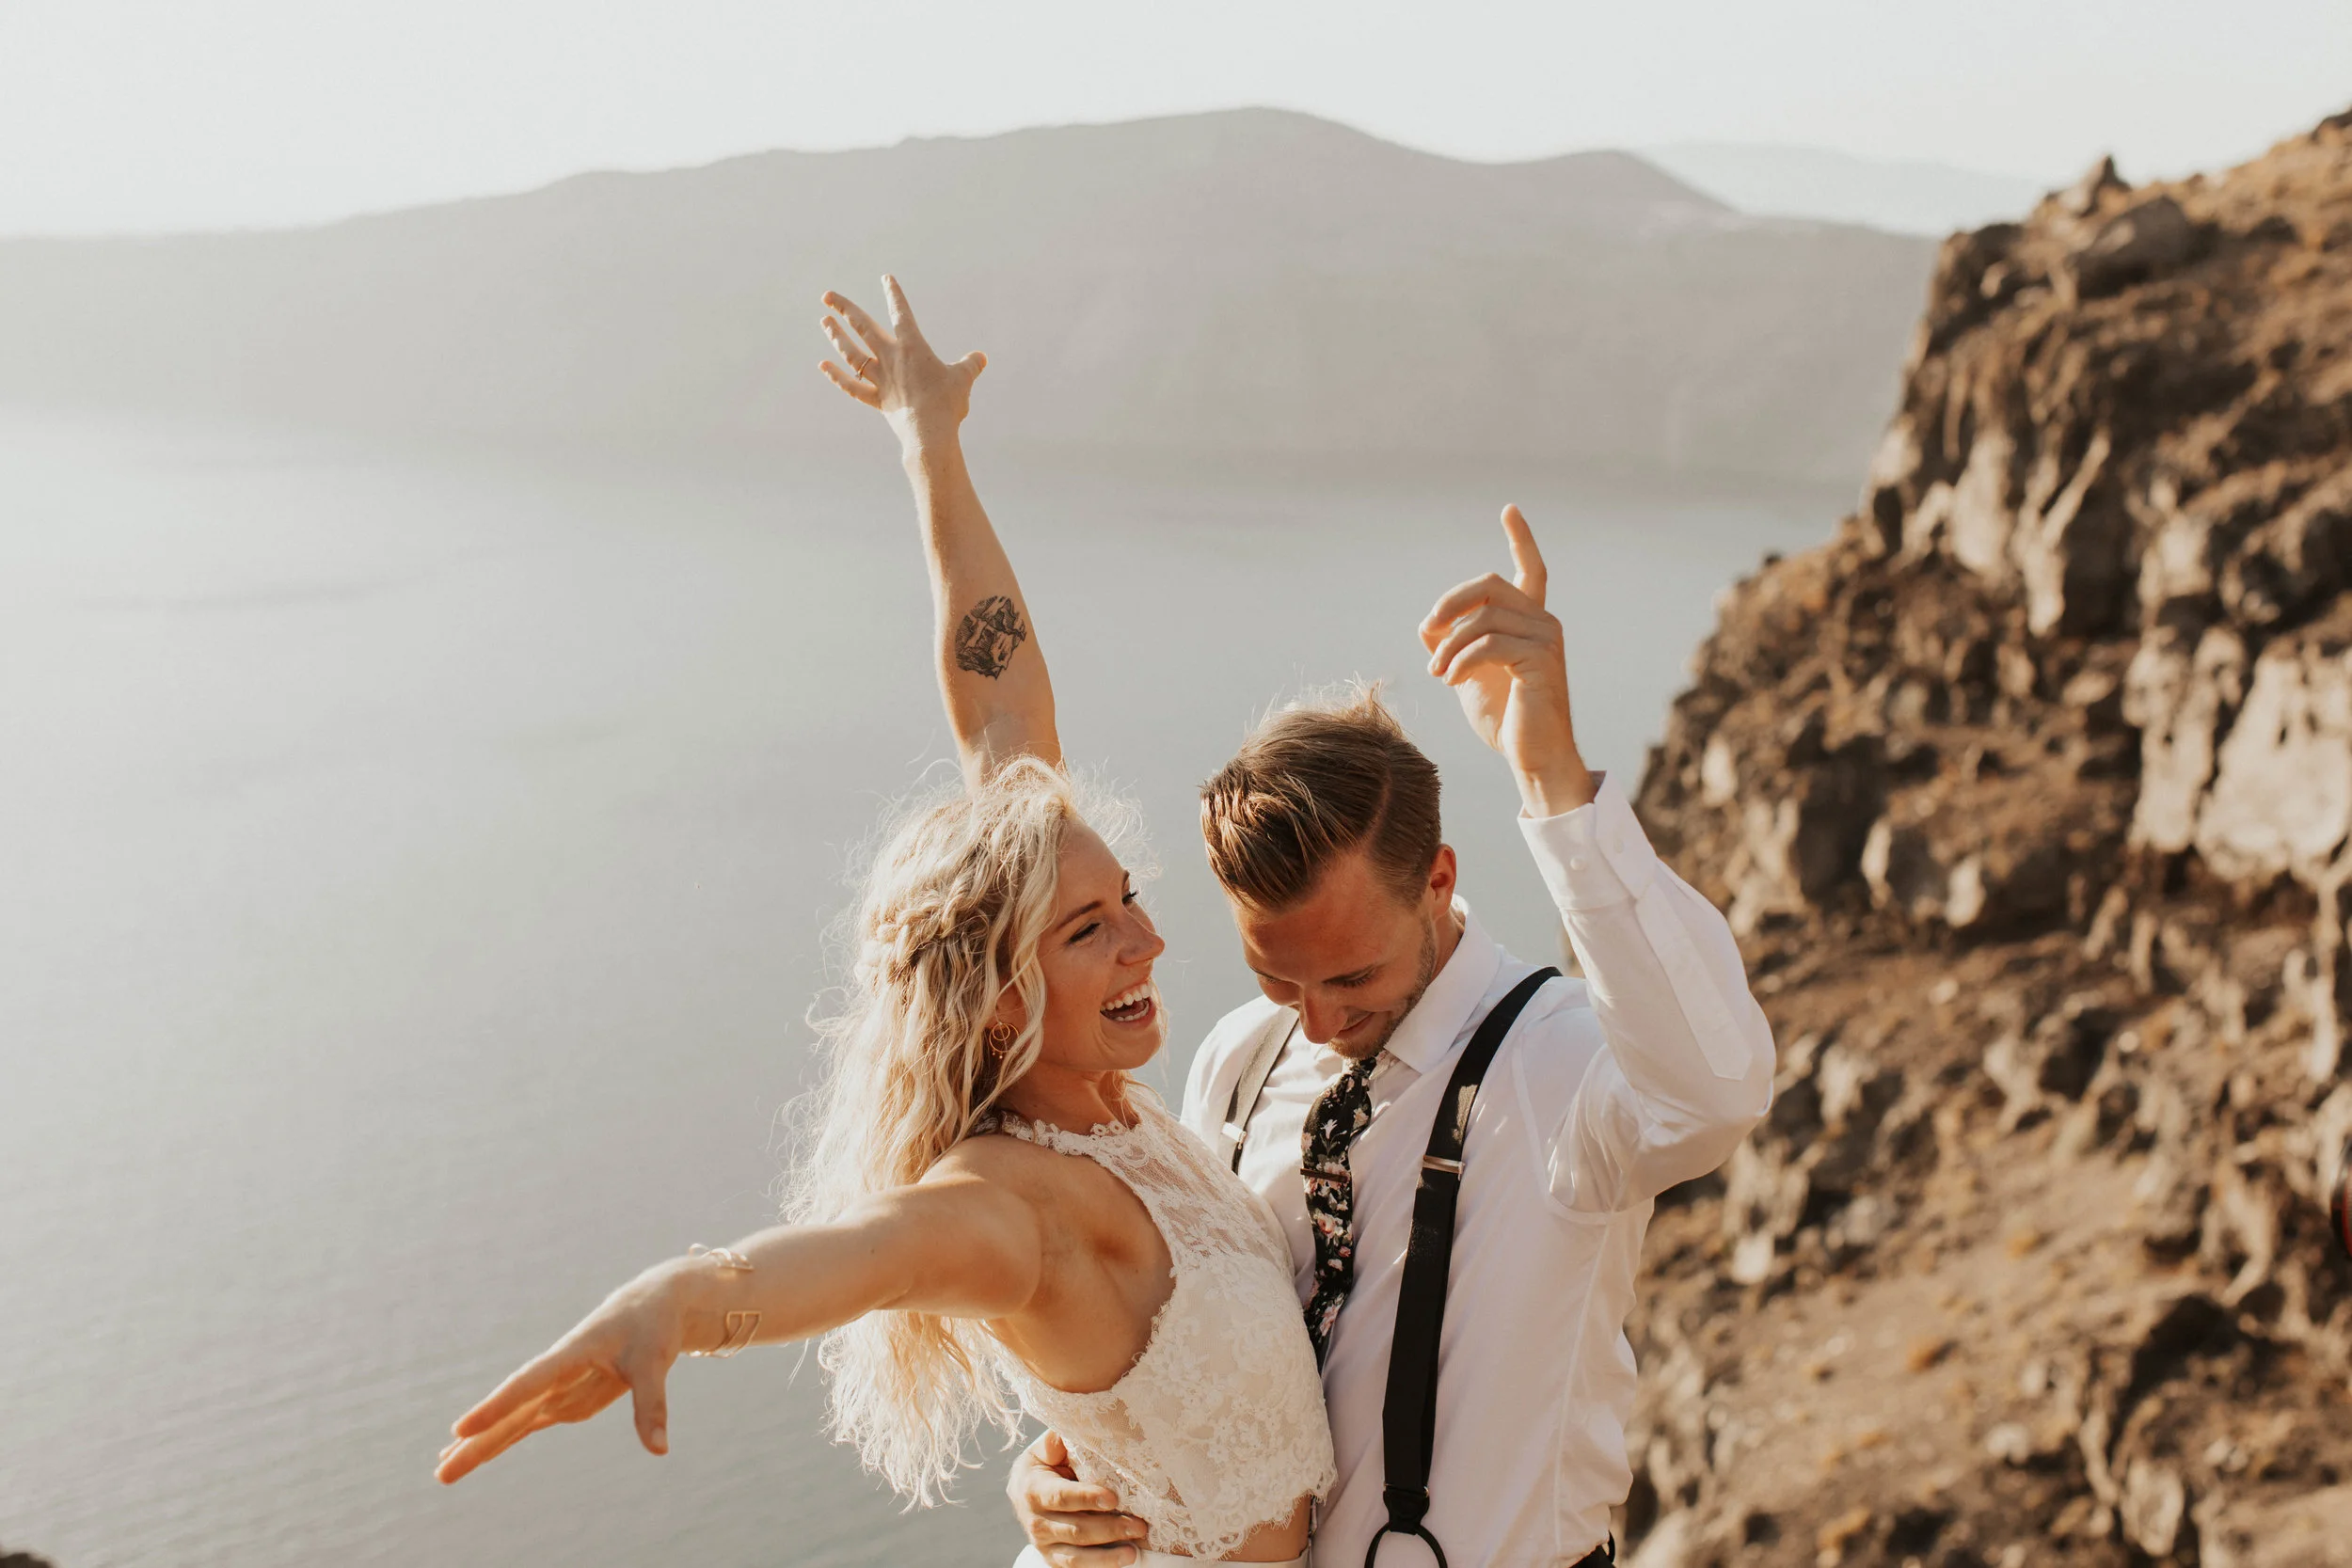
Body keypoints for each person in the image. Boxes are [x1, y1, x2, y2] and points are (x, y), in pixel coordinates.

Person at [434, 277, 1336, 1568]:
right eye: (1090, 930)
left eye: (1126, 899)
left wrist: (930, 438)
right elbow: (864, 1254)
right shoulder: (1016, 1203)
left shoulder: (1107, 1110)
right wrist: (675, 1302)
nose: (1146, 941)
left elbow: (1002, 711)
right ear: (1001, 999)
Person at [993, 360, 1781, 1556]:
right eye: (1276, 977)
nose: (1312, 1019)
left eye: (1348, 978)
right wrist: (1057, 1475)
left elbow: (1717, 1090)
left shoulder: (1563, 1063)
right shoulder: (1239, 1064)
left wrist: (1551, 779)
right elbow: (1164, 1337)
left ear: (1440, 881)